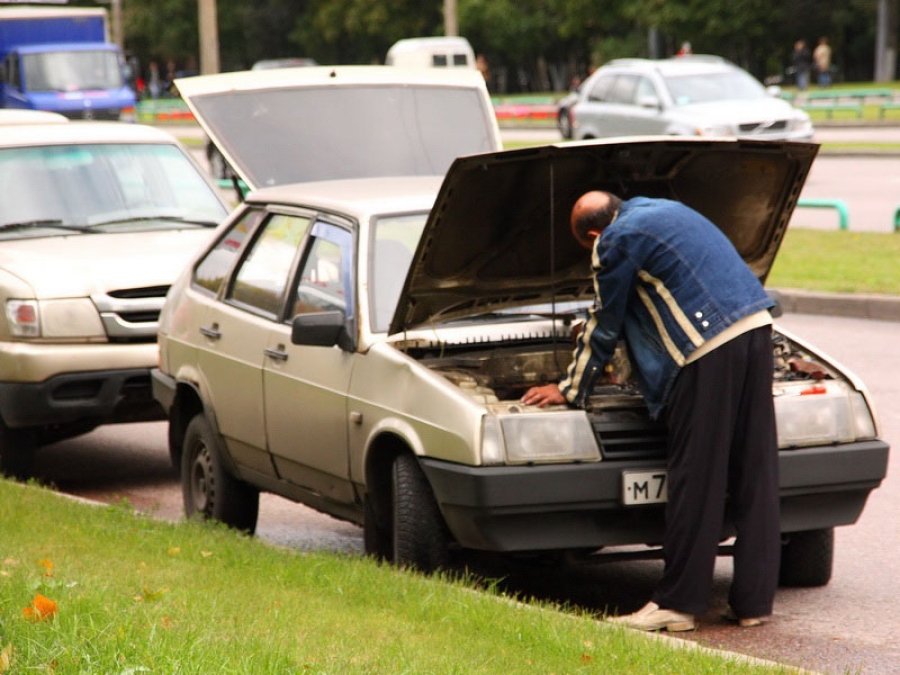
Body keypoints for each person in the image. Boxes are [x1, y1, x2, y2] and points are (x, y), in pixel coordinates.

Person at [521, 191, 780, 632]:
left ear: (593, 234)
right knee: (755, 472)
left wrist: (568, 387)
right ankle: (754, 603)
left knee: (696, 478)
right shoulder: (664, 209)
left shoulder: (614, 239)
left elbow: (605, 321)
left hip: (708, 347)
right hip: (757, 329)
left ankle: (677, 605)